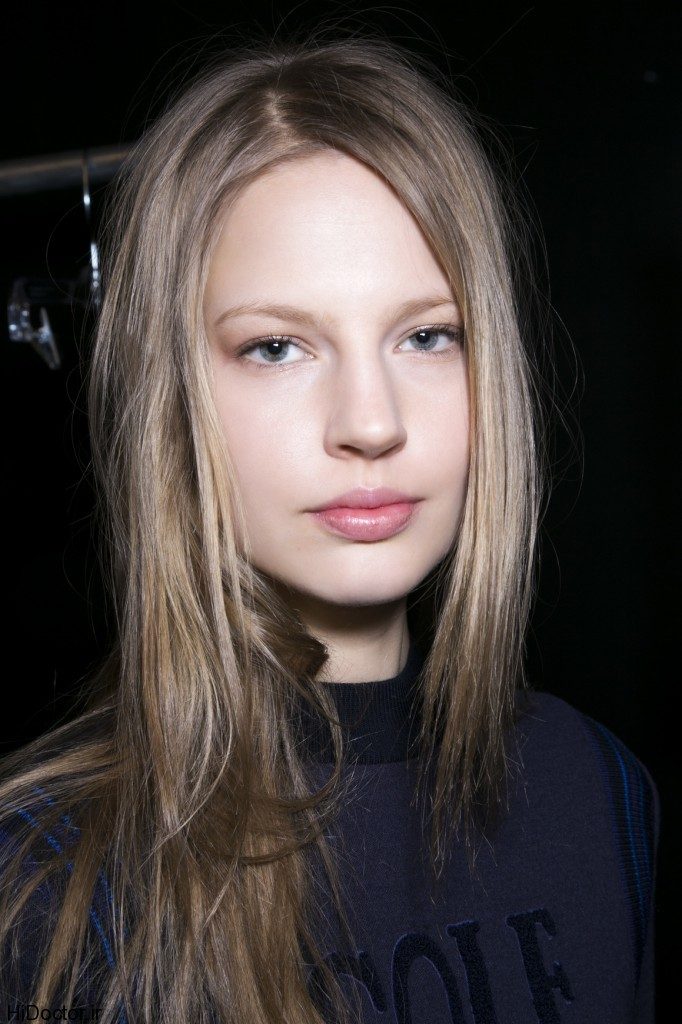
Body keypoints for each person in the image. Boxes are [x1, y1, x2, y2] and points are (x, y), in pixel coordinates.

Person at [0, 30, 659, 1024]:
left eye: (428, 336)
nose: (370, 422)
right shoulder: (43, 884)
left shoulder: (597, 789)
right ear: (172, 399)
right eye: (277, 347)